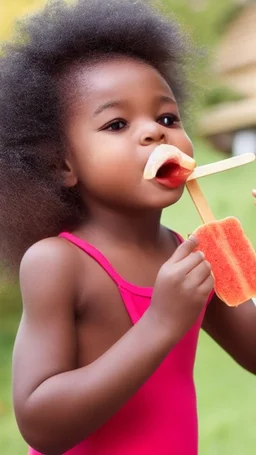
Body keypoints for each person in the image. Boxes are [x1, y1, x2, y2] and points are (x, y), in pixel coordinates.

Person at [0, 1, 255, 454]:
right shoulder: (56, 262)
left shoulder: (189, 254)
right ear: (61, 164)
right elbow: (40, 424)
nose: (155, 134)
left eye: (167, 118)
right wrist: (160, 323)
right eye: (117, 123)